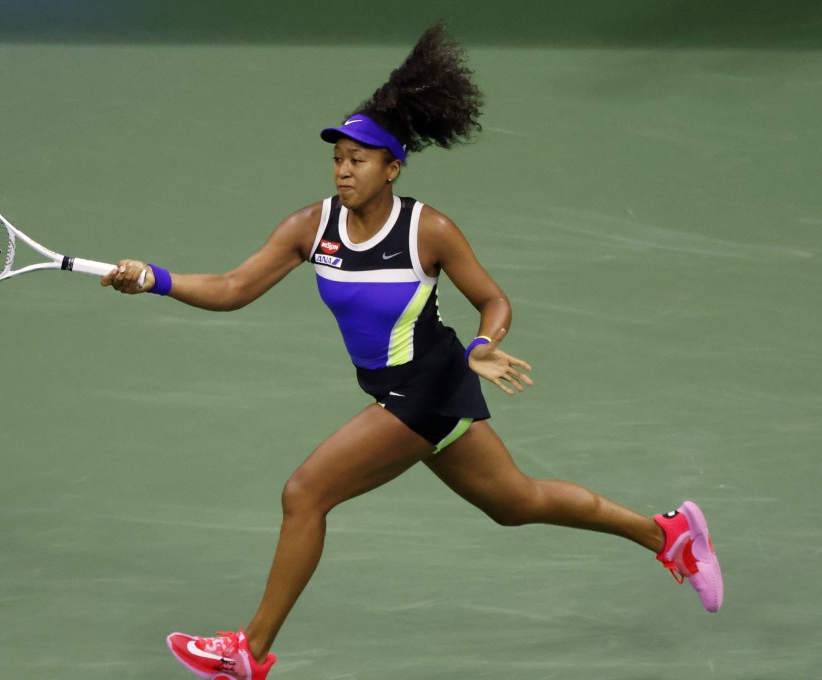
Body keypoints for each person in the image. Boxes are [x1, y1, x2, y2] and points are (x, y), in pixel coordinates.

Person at [101, 23, 723, 680]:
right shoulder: (310, 227)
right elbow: (233, 287)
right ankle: (668, 534)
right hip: (409, 392)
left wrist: (485, 345)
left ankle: (247, 654)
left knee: (304, 494)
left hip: (425, 388)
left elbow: (495, 300)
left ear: (392, 167)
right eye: (337, 158)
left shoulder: (427, 230)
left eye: (358, 159)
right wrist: (154, 279)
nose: (343, 169)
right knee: (516, 503)